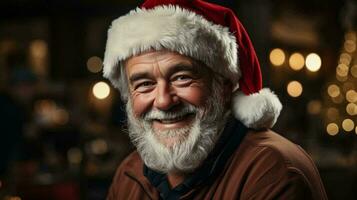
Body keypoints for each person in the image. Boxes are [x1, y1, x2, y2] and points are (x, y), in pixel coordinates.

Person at [102, 0, 328, 199]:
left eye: (182, 78)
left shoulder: (273, 171)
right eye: (144, 84)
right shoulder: (129, 174)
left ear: (225, 86)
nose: (163, 101)